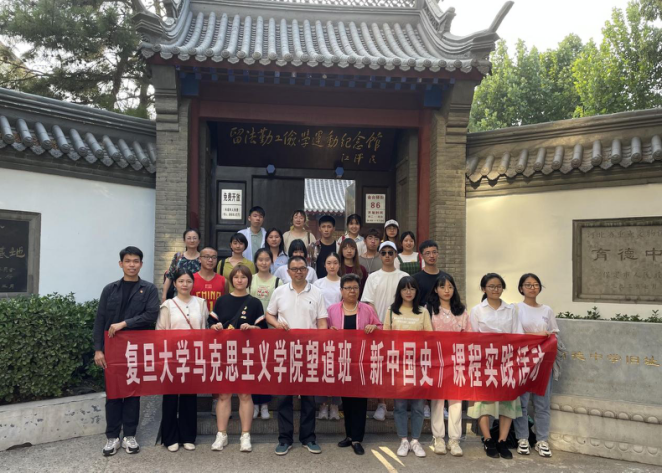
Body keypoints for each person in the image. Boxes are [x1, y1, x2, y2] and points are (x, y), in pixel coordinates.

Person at [94, 246, 159, 456]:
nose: (132, 265)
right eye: (128, 261)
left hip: (135, 347)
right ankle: (112, 437)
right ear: (121, 264)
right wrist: (98, 350)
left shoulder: (148, 289)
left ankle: (130, 435)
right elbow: (100, 320)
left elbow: (151, 315)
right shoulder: (110, 289)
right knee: (113, 394)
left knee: (132, 392)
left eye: (136, 261)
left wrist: (124, 323)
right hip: (112, 348)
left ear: (141, 264)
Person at [265, 256, 328, 456]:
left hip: (309, 350)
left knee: (309, 396)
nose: (298, 272)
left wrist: (321, 343)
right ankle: (285, 439)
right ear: (288, 271)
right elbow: (269, 314)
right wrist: (276, 324)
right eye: (294, 269)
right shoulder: (280, 291)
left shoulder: (317, 292)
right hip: (285, 350)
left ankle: (308, 438)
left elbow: (322, 321)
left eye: (302, 268)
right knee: (284, 396)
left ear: (307, 271)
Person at [209, 265, 266, 453]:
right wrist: (215, 326)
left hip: (247, 353)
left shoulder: (255, 303)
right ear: (231, 279)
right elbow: (211, 324)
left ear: (249, 280)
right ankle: (221, 434)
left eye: (243, 277)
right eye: (236, 277)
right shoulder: (222, 301)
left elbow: (263, 330)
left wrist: (252, 327)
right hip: (224, 353)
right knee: (224, 395)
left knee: (245, 394)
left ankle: (245, 435)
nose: (239, 280)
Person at [468, 273, 524, 460]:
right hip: (485, 361)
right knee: (484, 401)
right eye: (491, 286)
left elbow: (517, 334)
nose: (495, 289)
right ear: (483, 289)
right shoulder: (477, 310)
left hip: (507, 361)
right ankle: (487, 439)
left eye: (499, 286)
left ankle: (502, 440)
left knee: (508, 401)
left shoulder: (510, 309)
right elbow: (472, 337)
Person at [327, 273, 382, 456]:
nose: (352, 291)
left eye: (355, 288)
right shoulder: (332, 310)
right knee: (347, 400)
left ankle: (357, 438)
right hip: (341, 361)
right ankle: (349, 435)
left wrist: (374, 328)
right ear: (341, 290)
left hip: (361, 362)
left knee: (359, 400)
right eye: (348, 288)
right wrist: (329, 330)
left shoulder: (367, 309)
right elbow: (323, 330)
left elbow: (380, 327)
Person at [157, 269, 209, 452]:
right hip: (172, 356)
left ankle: (188, 436)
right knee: (170, 397)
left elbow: (204, 330)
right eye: (181, 281)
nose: (184, 284)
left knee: (189, 397)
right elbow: (160, 332)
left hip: (193, 355)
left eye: (188, 281)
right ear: (175, 283)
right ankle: (170, 437)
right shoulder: (168, 305)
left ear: (193, 283)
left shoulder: (201, 303)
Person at [383, 276, 432, 458]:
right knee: (400, 405)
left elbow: (429, 338)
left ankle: (415, 441)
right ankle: (403, 440)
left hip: (418, 365)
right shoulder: (391, 311)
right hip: (398, 365)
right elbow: (386, 338)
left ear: (417, 291)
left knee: (418, 405)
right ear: (400, 292)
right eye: (405, 289)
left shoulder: (423, 312)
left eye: (412, 288)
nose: (408, 292)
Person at [360, 241, 407, 422]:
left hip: (400, 328)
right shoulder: (373, 277)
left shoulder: (404, 277)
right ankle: (381, 403)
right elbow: (368, 302)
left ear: (395, 255)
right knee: (380, 367)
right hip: (378, 329)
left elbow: (408, 300)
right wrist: (379, 323)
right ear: (380, 255)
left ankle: (399, 403)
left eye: (390, 252)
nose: (387, 255)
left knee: (398, 367)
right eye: (384, 252)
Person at [426, 273, 471, 457]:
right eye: (443, 287)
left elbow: (468, 335)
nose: (447, 290)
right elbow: (425, 335)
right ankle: (438, 438)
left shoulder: (461, 311)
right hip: (436, 361)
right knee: (437, 400)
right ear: (436, 289)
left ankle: (454, 440)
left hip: (457, 360)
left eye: (450, 287)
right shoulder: (429, 309)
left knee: (456, 400)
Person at [514, 273, 558, 458]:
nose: (532, 288)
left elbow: (553, 334)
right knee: (521, 403)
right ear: (521, 288)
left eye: (535, 284)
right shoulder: (516, 309)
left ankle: (542, 440)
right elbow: (515, 336)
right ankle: (522, 438)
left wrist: (545, 337)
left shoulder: (547, 310)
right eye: (528, 284)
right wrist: (538, 335)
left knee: (542, 403)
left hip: (543, 363)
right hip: (523, 362)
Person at [249, 248, 282, 420]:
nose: (263, 262)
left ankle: (265, 405)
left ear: (271, 261)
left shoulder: (278, 281)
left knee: (267, 367)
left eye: (267, 259)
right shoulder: (250, 279)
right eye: (260, 259)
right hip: (252, 330)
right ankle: (254, 404)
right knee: (254, 367)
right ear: (255, 262)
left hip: (271, 329)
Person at [313, 252, 342, 420]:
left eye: (335, 263)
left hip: (339, 329)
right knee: (322, 367)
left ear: (339, 265)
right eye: (329, 263)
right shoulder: (318, 284)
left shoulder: (343, 282)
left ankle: (335, 406)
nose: (332, 266)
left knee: (337, 368)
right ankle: (322, 405)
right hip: (322, 328)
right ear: (324, 265)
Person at [162, 228, 201, 302]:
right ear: (184, 240)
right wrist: (164, 296)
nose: (192, 241)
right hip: (179, 296)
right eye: (189, 238)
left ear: (199, 241)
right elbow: (170, 276)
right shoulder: (178, 257)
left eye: (194, 238)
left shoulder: (203, 258)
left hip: (198, 296)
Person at [192, 247, 225, 313]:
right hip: (196, 317)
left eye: (214, 257)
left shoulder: (223, 281)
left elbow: (225, 303)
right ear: (199, 259)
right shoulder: (191, 279)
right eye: (206, 257)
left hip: (216, 318)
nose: (210, 260)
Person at [413, 240, 441, 307]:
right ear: (421, 256)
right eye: (427, 253)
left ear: (438, 254)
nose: (431, 256)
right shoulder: (415, 279)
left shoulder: (445, 277)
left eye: (434, 252)